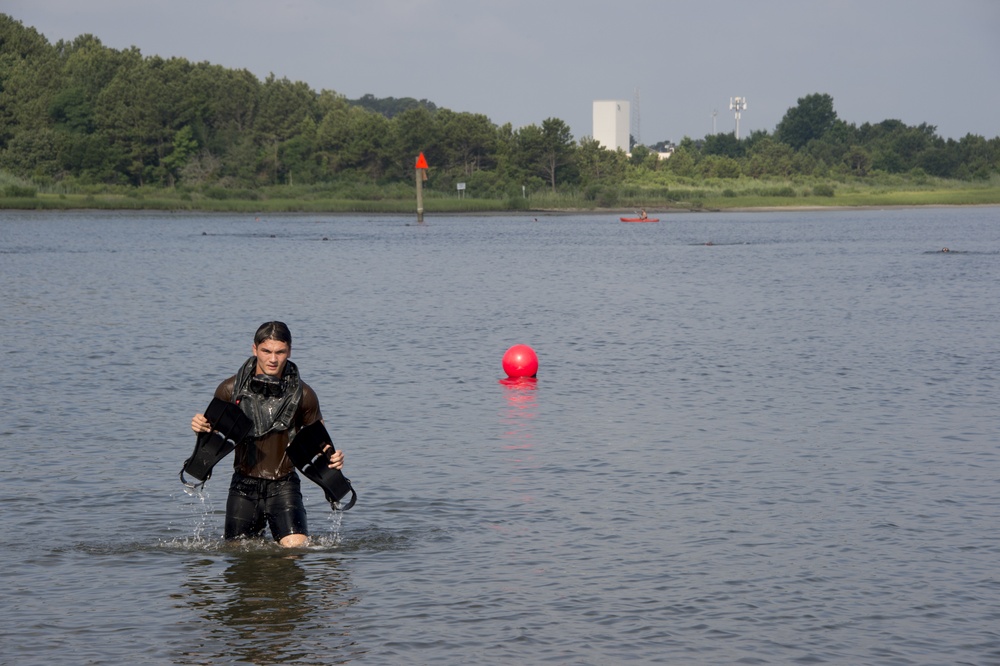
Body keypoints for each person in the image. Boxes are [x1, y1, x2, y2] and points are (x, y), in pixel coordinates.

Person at [190, 321, 344, 548]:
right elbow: (212, 440)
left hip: (284, 485)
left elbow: (320, 442)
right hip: (243, 485)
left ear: (289, 351)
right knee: (237, 557)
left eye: (280, 352)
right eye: (267, 351)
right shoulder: (229, 389)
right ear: (255, 349)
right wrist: (200, 428)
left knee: (296, 549)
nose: (273, 359)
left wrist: (334, 456)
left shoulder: (305, 394)